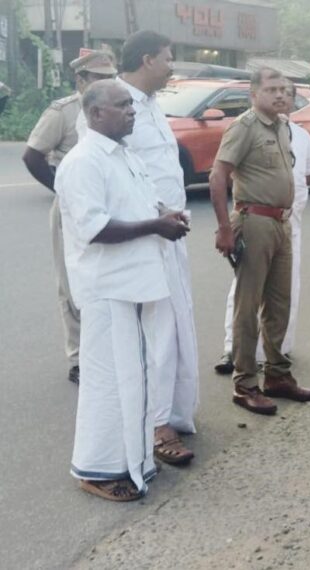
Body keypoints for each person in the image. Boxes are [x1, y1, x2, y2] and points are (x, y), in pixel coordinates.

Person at [57, 80, 189, 501]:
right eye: (121, 105)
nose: (131, 111)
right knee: (108, 383)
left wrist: (165, 213)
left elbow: (142, 204)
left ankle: (132, 462)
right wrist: (156, 226)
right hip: (107, 288)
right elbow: (94, 228)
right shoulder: (83, 162)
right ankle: (96, 471)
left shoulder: (125, 155)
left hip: (134, 284)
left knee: (134, 377)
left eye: (131, 104)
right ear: (96, 114)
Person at [210, 68, 310, 416]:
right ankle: (245, 384)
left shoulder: (283, 127)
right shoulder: (244, 127)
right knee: (248, 306)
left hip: (282, 222)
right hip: (253, 221)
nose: (281, 95)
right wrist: (224, 228)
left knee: (280, 303)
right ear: (254, 94)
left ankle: (277, 375)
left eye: (285, 89)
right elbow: (218, 175)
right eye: (272, 89)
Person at [116, 30, 199, 466]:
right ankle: (155, 424)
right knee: (156, 334)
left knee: (177, 327)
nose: (172, 67)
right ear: (148, 60)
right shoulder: (112, 105)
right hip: (144, 236)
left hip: (170, 232)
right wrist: (155, 218)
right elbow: (113, 178)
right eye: (168, 59)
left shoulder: (150, 105)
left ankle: (175, 412)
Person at [22, 50, 117, 386]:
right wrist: (61, 189)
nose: (105, 82)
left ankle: (106, 348)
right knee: (71, 280)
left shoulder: (118, 108)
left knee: (107, 277)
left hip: (109, 204)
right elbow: (32, 155)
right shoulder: (64, 111)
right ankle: (78, 357)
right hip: (71, 207)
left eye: (110, 77)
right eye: (98, 77)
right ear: (81, 80)